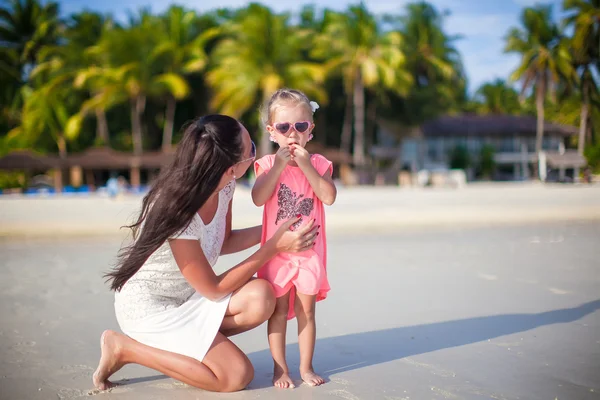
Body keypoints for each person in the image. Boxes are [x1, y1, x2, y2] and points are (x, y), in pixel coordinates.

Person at [92, 114, 319, 393]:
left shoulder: (224, 186)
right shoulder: (177, 208)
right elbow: (213, 290)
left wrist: (277, 229)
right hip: (150, 309)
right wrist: (273, 247)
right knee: (236, 375)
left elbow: (224, 241)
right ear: (232, 166)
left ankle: (189, 347)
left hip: (189, 297)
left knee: (262, 297)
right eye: (251, 150)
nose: (255, 155)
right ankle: (125, 349)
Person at [251, 89, 337, 388]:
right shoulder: (264, 164)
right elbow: (258, 198)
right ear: (272, 132)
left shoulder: (321, 164)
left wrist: (306, 165)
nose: (293, 134)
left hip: (309, 254)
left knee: (307, 312)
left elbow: (327, 197)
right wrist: (277, 166)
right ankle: (279, 369)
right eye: (285, 127)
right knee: (276, 311)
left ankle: (305, 366)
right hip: (277, 254)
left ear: (310, 131)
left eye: (300, 127)